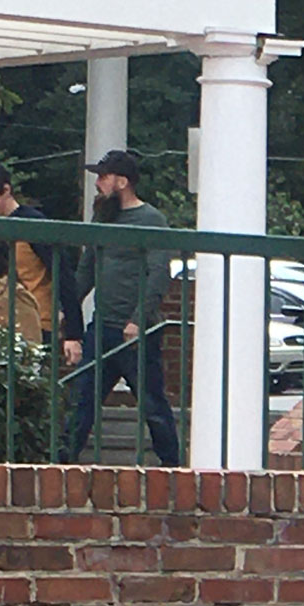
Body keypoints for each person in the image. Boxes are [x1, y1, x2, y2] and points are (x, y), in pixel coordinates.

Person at [64, 150, 180, 466]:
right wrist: (68, 311)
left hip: (135, 333)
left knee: (152, 405)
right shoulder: (102, 218)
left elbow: (158, 272)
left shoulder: (151, 220)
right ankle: (59, 464)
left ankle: (173, 468)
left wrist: (138, 319)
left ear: (122, 182)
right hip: (102, 327)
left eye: (104, 177)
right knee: (82, 401)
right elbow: (87, 267)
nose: (98, 183)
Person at [0, 164, 84, 363]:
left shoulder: (34, 225)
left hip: (37, 323)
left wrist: (73, 333)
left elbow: (64, 275)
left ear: (6, 191)